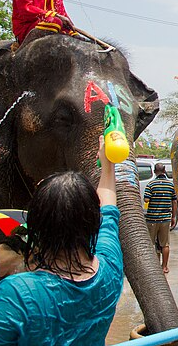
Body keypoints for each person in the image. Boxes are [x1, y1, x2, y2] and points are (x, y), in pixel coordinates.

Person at [0, 136, 122, 345]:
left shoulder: (15, 294)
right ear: (93, 221)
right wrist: (108, 166)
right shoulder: (110, 267)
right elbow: (109, 210)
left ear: (36, 225)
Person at [144, 162, 177, 274]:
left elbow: (146, 200)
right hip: (165, 219)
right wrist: (173, 216)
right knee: (165, 244)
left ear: (154, 172)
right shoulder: (170, 185)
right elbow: (174, 202)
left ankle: (155, 267)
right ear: (164, 171)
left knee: (151, 243)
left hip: (152, 219)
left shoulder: (151, 185)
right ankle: (164, 267)